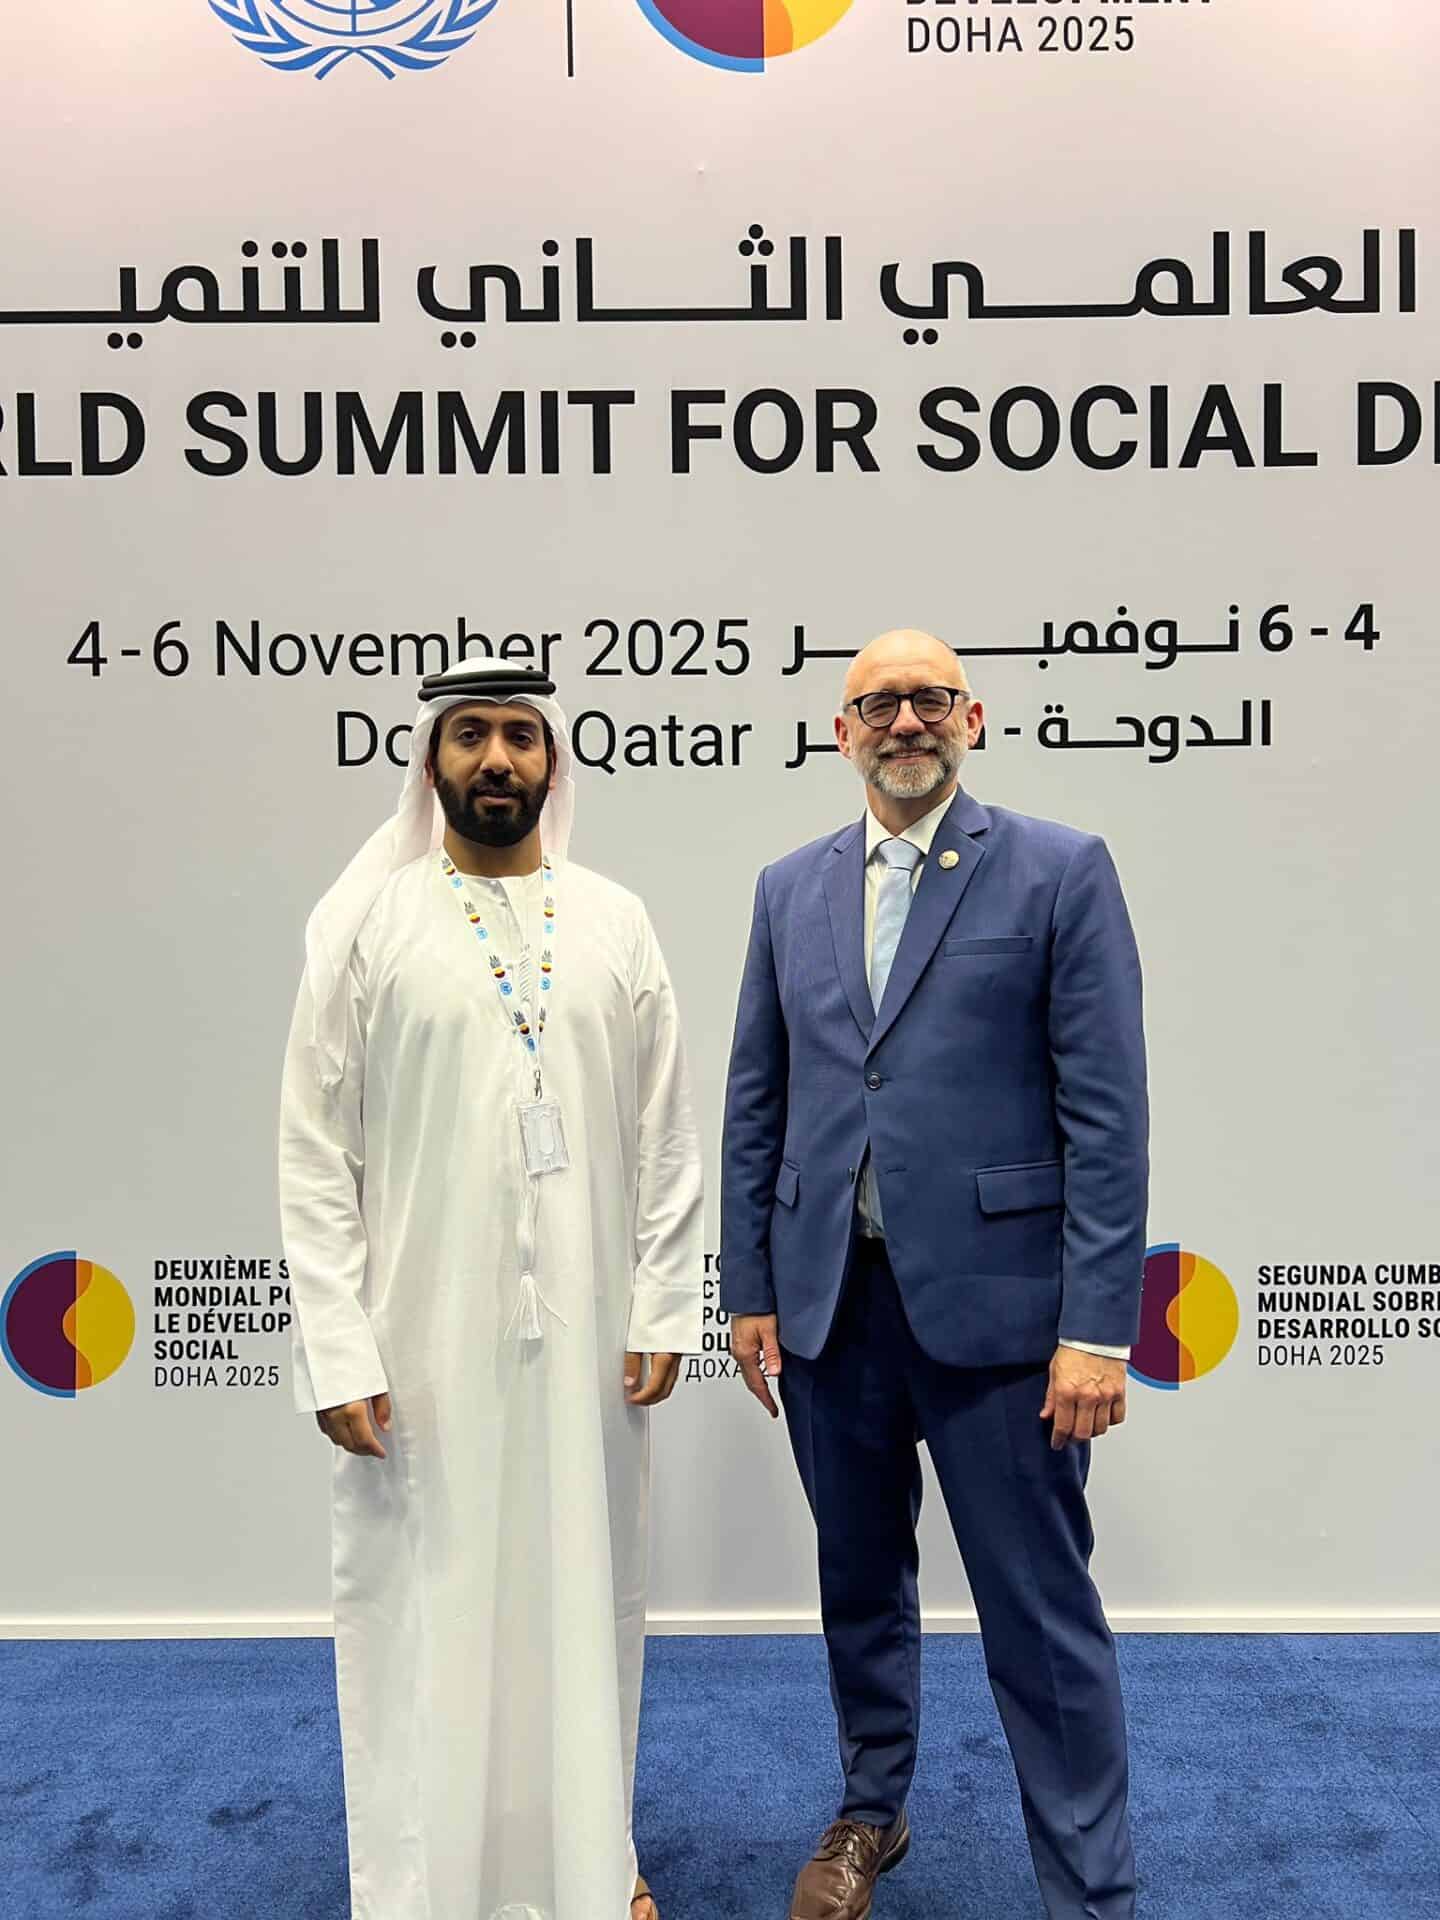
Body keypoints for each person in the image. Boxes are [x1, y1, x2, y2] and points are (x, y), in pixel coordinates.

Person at [720, 630, 1147, 1920]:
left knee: (1039, 1613)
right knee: (857, 1582)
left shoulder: (1060, 871)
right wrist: (749, 1288)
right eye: (875, 704)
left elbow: (1107, 1117)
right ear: (841, 733)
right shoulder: (788, 887)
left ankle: (1088, 1887)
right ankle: (870, 1812)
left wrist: (1098, 1331)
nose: (903, 721)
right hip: (829, 1307)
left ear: (972, 715)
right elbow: (758, 1097)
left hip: (1007, 1321)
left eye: (926, 699)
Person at [279, 658, 703, 1920]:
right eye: (472, 737)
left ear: (552, 763)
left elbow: (668, 1131)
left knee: (582, 1601)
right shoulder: (364, 926)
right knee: (428, 1608)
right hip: (419, 1343)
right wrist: (339, 1348)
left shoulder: (617, 919)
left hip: (583, 1341)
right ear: (432, 761)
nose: (498, 761)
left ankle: (585, 1865)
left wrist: (662, 1302)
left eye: (521, 737)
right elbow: (314, 1151)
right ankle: (422, 1887)